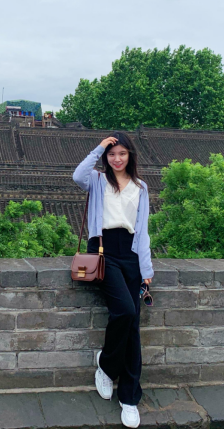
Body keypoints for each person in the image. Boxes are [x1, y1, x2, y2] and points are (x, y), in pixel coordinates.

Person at [72, 132, 153, 429]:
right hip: (104, 252)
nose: (117, 159)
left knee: (132, 327)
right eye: (112, 154)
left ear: (130, 156)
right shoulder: (96, 180)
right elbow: (77, 175)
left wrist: (146, 269)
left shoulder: (141, 187)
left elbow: (142, 230)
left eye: (122, 153)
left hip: (130, 253)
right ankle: (106, 365)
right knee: (126, 312)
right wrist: (99, 147)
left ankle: (129, 398)